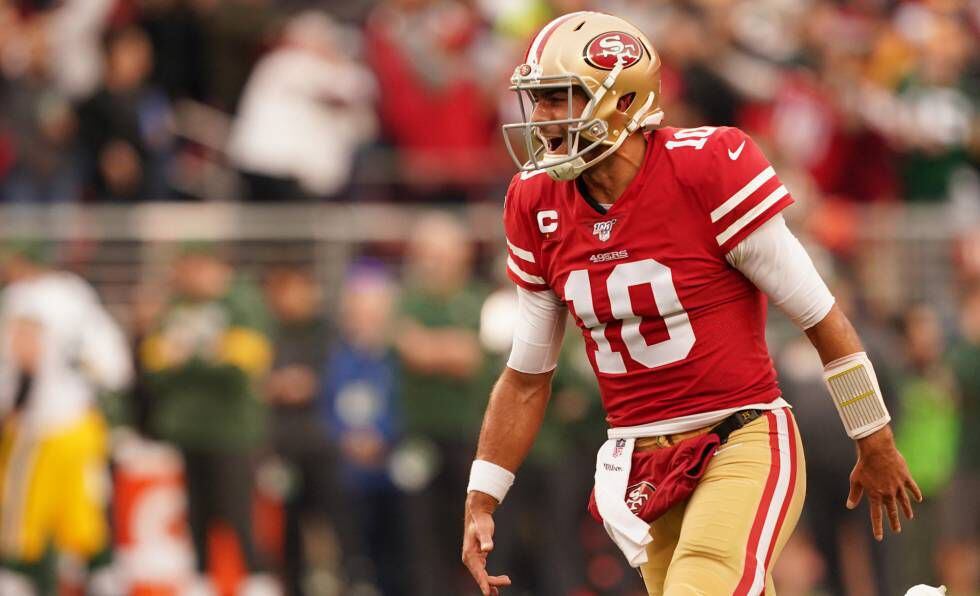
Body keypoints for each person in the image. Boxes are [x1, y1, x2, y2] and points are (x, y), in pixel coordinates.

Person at [462, 12, 921, 596]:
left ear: (622, 101)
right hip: (641, 464)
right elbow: (526, 376)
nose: (543, 121)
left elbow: (819, 316)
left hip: (741, 438)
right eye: (538, 101)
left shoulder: (706, 168)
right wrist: (483, 493)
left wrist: (873, 436)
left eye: (560, 100)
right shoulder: (535, 202)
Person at [140, 244, 277, 596]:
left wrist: (187, 359)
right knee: (196, 512)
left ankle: (256, 583)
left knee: (238, 512)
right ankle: (200, 581)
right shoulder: (176, 305)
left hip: (232, 431)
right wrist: (206, 357)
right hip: (187, 427)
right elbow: (154, 366)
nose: (184, 276)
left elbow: (239, 368)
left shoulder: (242, 303)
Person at [0, 241, 132, 595]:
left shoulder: (25, 296)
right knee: (82, 517)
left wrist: (16, 405)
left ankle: (18, 584)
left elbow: (28, 352)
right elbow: (115, 369)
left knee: (19, 519)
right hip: (83, 421)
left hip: (39, 423)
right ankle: (105, 583)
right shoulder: (76, 293)